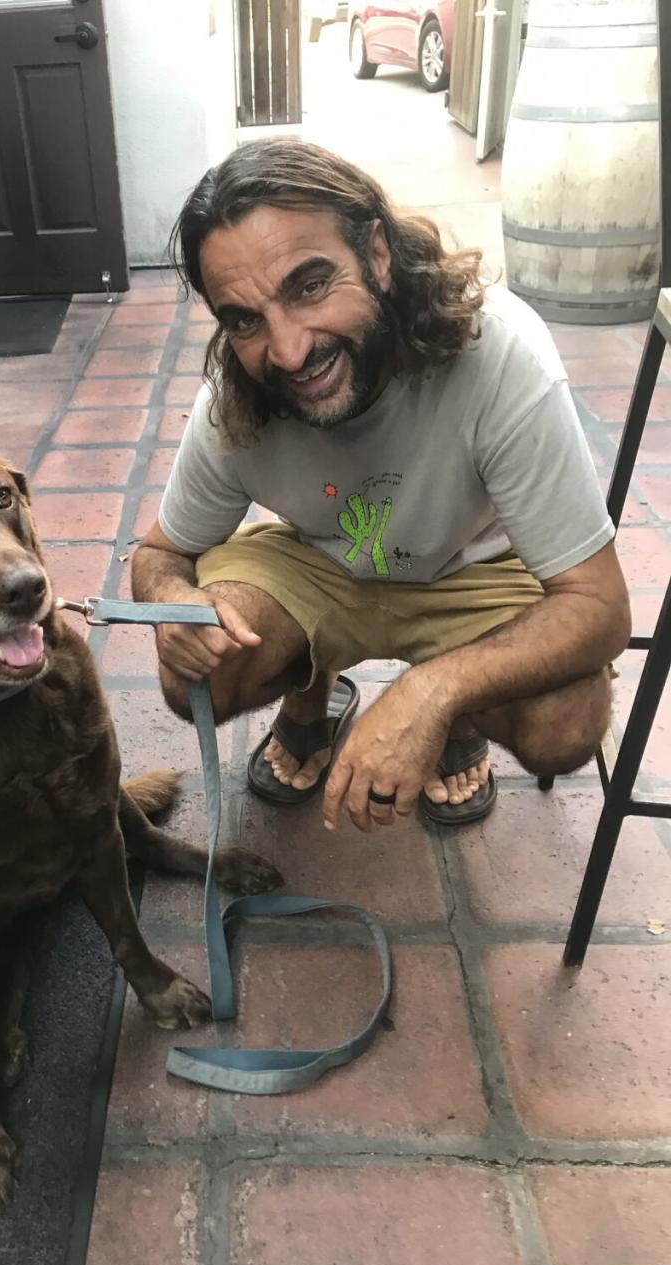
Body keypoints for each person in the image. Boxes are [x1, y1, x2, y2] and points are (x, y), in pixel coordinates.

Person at [130, 138, 630, 832]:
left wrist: (432, 690)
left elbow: (602, 607)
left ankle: (453, 704)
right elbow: (158, 555)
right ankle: (314, 696)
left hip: (473, 569)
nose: (289, 351)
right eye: (244, 319)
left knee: (566, 725)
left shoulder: (502, 355)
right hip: (317, 564)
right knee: (197, 681)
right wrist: (172, 601)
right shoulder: (232, 400)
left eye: (308, 285)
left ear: (377, 253)